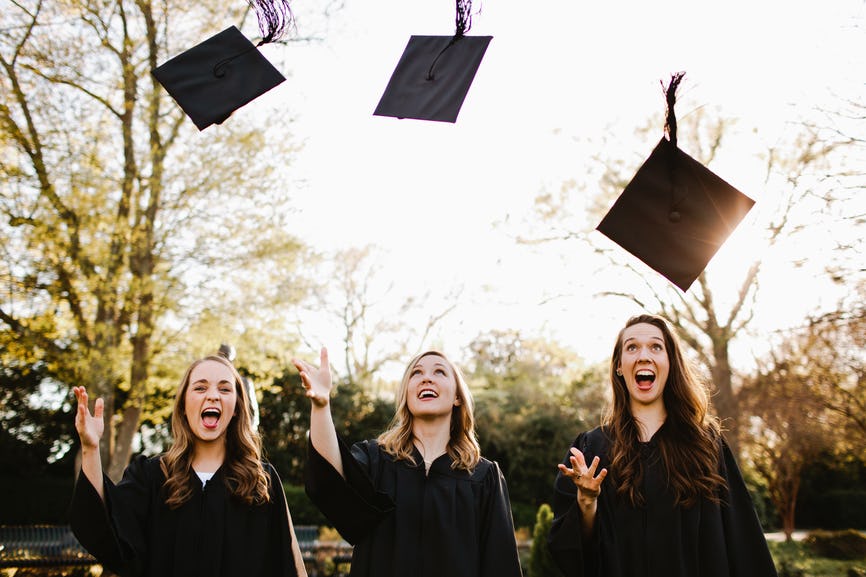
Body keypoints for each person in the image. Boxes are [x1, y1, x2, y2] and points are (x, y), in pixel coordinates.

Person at [548, 314, 778, 577]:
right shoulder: (593, 451)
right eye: (632, 347)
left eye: (656, 347)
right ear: (619, 367)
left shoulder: (705, 446)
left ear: (670, 363)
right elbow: (573, 555)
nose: (644, 356)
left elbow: (742, 541)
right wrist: (587, 502)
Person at [69, 354, 307, 577]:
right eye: (200, 387)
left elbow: (288, 562)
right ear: (183, 405)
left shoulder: (259, 480)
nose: (213, 395)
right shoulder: (151, 476)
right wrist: (90, 448)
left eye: (224, 388)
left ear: (236, 408)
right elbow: (107, 530)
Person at [294, 347, 523, 577]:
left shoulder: (484, 477)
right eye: (416, 373)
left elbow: (500, 564)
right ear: (407, 394)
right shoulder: (377, 460)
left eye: (439, 372)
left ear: (457, 397)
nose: (426, 378)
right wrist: (321, 407)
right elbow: (329, 477)